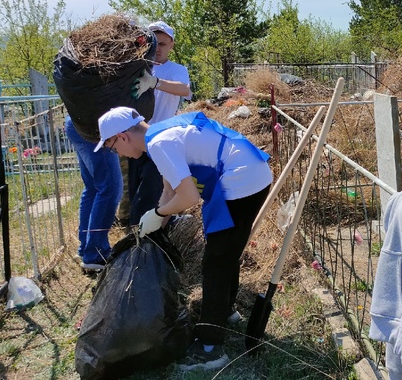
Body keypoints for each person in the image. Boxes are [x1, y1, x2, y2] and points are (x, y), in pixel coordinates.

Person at [94, 106, 272, 369]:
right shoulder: (158, 136)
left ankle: (210, 349)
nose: (117, 153)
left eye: (111, 147)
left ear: (122, 137)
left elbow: (189, 198)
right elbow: (170, 191)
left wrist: (157, 213)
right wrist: (157, 222)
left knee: (216, 261)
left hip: (243, 180)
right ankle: (225, 311)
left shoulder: (159, 144)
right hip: (246, 174)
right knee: (224, 251)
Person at [122, 20, 192, 227]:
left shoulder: (175, 70)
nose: (157, 48)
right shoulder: (137, 68)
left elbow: (184, 90)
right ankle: (141, 229)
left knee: (153, 191)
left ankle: (151, 231)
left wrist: (155, 83)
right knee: (136, 190)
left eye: (162, 44)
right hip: (135, 140)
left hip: (161, 139)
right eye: (153, 43)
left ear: (172, 45)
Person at [65, 116, 123, 272]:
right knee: (110, 188)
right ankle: (96, 253)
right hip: (95, 127)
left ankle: (86, 248)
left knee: (93, 188)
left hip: (77, 122)